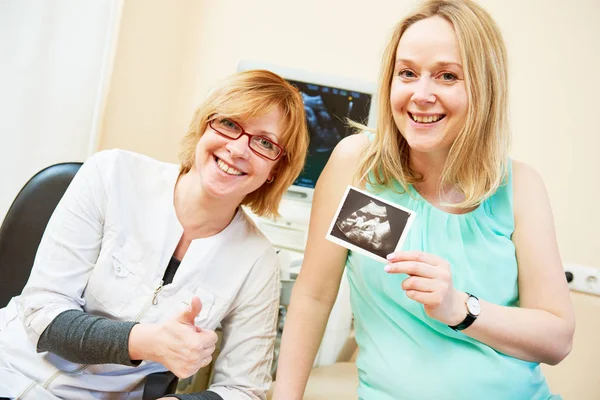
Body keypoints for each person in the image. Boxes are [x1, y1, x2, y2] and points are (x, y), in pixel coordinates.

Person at [272, 1, 575, 399]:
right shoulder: (361, 169)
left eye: (448, 76)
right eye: (408, 73)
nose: (421, 94)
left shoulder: (519, 187)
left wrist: (461, 308)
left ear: (485, 88)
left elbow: (556, 339)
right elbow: (313, 296)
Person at [0, 69, 308, 400]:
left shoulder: (256, 260)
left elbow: (244, 390)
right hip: (10, 369)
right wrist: (151, 342)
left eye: (264, 143)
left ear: (276, 169)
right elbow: (43, 311)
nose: (237, 149)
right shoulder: (112, 174)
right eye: (230, 124)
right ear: (205, 125)